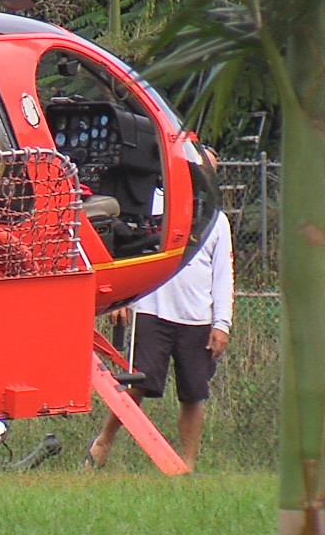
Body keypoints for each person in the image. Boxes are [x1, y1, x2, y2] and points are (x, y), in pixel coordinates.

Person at [85, 150, 233, 471]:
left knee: (193, 393)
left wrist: (222, 323)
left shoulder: (217, 221)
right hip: (152, 310)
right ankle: (103, 442)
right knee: (137, 384)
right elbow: (135, 252)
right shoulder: (156, 208)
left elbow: (223, 274)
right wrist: (124, 300)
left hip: (197, 319)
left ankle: (187, 464)